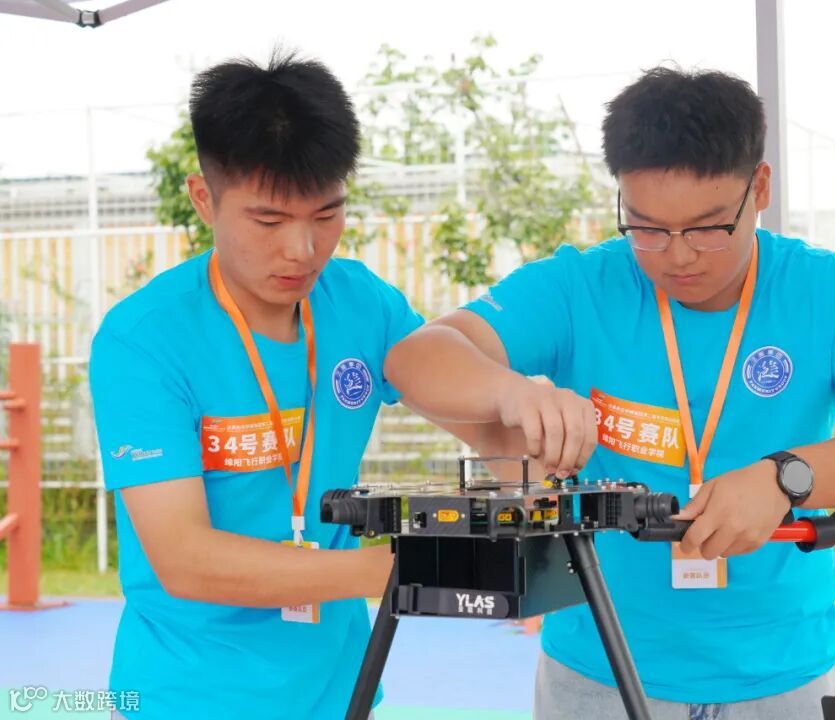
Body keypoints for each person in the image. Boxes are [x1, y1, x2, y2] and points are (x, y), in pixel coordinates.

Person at [384, 67, 835, 720]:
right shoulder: (582, 286)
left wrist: (785, 478)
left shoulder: (825, 291)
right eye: (648, 228)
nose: (677, 255)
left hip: (781, 677)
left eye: (708, 227)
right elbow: (416, 358)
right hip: (598, 671)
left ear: (760, 188)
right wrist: (511, 393)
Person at [88, 50, 580, 720]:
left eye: (326, 215)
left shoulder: (357, 303)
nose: (302, 249)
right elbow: (186, 559)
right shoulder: (144, 339)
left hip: (342, 690)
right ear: (203, 198)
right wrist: (399, 568)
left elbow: (445, 384)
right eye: (269, 221)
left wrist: (515, 401)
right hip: (186, 697)